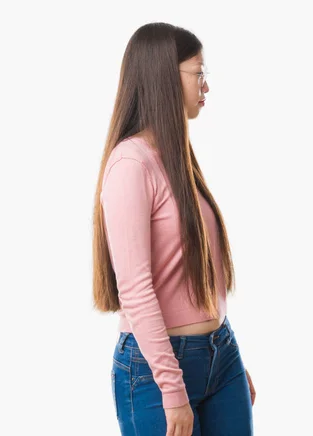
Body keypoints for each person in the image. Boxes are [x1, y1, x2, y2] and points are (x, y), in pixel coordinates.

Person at [91, 22, 255, 435]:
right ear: (166, 76)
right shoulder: (131, 165)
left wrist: (225, 358)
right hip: (155, 370)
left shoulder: (178, 157)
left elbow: (200, 270)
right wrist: (173, 388)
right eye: (197, 72)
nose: (205, 85)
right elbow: (135, 287)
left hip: (220, 354)